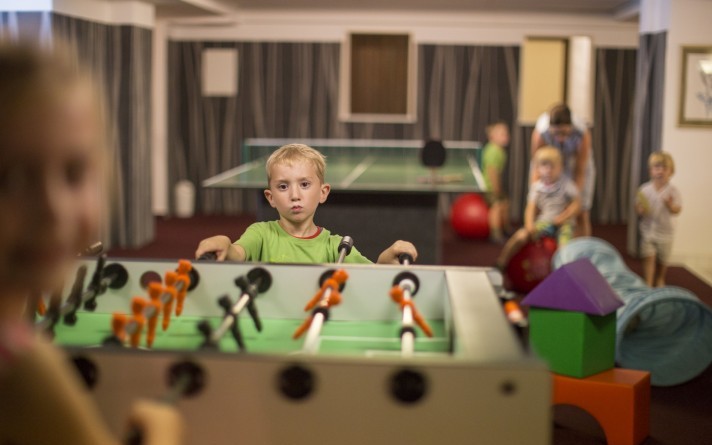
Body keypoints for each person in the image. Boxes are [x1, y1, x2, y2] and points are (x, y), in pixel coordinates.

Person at [0, 41, 182, 444]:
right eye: (10, 178)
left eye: (75, 172)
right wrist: (163, 432)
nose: (53, 210)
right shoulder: (22, 369)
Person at [195, 143, 418, 264]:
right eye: (283, 186)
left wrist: (387, 259)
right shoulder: (260, 234)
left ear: (323, 192)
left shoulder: (336, 246)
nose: (294, 195)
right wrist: (224, 242)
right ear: (270, 197)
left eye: (304, 184)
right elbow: (236, 253)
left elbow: (372, 277)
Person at [496, 146, 580, 270]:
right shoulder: (537, 187)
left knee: (565, 247)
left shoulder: (566, 184)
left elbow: (577, 204)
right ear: (537, 168)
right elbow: (530, 208)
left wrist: (564, 217)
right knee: (521, 236)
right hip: (544, 223)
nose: (548, 170)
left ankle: (565, 273)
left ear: (560, 167)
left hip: (564, 224)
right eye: (544, 166)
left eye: (552, 166)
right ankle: (501, 263)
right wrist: (529, 225)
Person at [530, 104, 594, 237]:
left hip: (574, 162)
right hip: (552, 163)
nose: (560, 138)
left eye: (564, 133)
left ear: (570, 127)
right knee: (539, 206)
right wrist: (537, 194)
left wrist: (573, 200)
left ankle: (582, 249)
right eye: (556, 133)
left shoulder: (581, 132)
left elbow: (580, 169)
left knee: (581, 210)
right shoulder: (541, 132)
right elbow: (537, 165)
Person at [635, 151, 682, 287]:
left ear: (671, 172)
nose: (660, 171)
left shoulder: (673, 191)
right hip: (648, 230)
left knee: (662, 261)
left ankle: (659, 279)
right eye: (657, 167)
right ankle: (648, 283)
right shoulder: (645, 189)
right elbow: (638, 206)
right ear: (651, 171)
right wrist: (640, 210)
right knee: (648, 256)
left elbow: (677, 210)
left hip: (666, 233)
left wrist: (670, 206)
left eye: (664, 168)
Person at [480, 120, 512, 243]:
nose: (506, 136)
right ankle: (495, 233)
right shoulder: (493, 151)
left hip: (494, 185)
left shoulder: (500, 151)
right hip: (489, 187)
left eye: (506, 133)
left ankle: (506, 228)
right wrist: (496, 189)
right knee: (497, 205)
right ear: (492, 137)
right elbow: (491, 171)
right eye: (501, 134)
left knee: (505, 203)